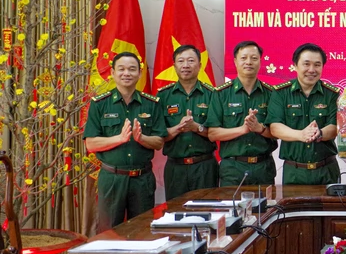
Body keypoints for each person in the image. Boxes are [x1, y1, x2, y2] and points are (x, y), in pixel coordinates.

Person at [83, 52, 167, 232]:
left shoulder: (151, 104)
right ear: (113, 73)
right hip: (112, 179)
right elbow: (91, 144)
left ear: (139, 73)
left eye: (132, 69)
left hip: (142, 179)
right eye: (121, 69)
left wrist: (141, 138)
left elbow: (159, 142)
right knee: (109, 232)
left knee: (142, 230)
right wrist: (119, 139)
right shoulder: (100, 104)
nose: (126, 73)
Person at [267, 44, 341, 185]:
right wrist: (301, 135)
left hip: (326, 170)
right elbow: (275, 127)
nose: (311, 70)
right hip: (294, 172)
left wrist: (319, 133)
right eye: (306, 64)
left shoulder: (332, 94)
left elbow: (334, 127)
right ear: (295, 65)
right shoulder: (281, 93)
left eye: (317, 65)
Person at [206, 41, 277, 186]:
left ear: (260, 62)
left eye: (254, 58)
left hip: (263, 168)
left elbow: (277, 132)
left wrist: (260, 129)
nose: (248, 62)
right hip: (233, 169)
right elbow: (213, 134)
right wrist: (242, 130)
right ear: (235, 61)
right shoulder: (221, 94)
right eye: (243, 58)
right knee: (231, 202)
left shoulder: (272, 94)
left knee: (265, 202)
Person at [157, 45, 218, 200]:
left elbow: (216, 133)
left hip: (205, 166)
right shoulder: (163, 96)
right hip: (175, 168)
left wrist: (196, 127)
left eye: (191, 61)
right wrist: (179, 128)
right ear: (174, 66)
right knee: (175, 211)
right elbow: (158, 136)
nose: (186, 65)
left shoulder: (212, 94)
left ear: (200, 65)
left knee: (207, 210)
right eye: (181, 61)